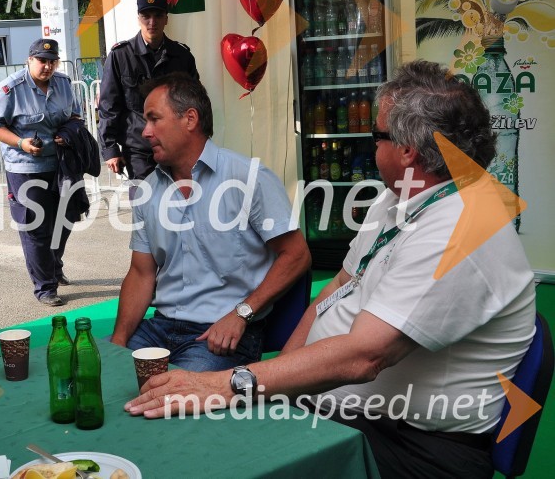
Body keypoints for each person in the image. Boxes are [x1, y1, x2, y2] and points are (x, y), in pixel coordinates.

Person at [125, 61, 537, 479]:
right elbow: (337, 288)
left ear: (407, 149)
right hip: (332, 408)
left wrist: (229, 383)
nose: (370, 146)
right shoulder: (396, 201)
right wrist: (278, 381)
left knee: (217, 458)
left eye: (376, 135)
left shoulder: (464, 228)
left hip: (411, 445)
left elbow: (365, 357)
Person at [111, 73, 311, 372]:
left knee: (171, 400)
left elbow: (297, 255)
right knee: (102, 375)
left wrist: (241, 314)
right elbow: (141, 273)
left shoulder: (247, 177)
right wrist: (119, 342)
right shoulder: (149, 190)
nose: (145, 132)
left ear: (189, 119)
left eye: (154, 119)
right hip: (160, 327)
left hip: (223, 332)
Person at [0, 39, 83, 306]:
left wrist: (67, 133)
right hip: (26, 167)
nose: (47, 66)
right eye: (42, 60)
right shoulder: (11, 88)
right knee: (36, 226)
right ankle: (45, 287)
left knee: (66, 218)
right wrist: (21, 142)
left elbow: (75, 117)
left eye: (52, 61)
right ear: (30, 60)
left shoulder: (63, 83)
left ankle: (53, 264)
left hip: (61, 164)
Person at [97, 0, 199, 182]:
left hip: (176, 146)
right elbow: (109, 105)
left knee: (181, 205)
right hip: (139, 148)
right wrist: (110, 148)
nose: (152, 22)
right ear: (138, 19)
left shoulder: (182, 56)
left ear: (166, 19)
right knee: (145, 203)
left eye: (158, 16)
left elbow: (195, 104)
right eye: (146, 16)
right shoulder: (120, 56)